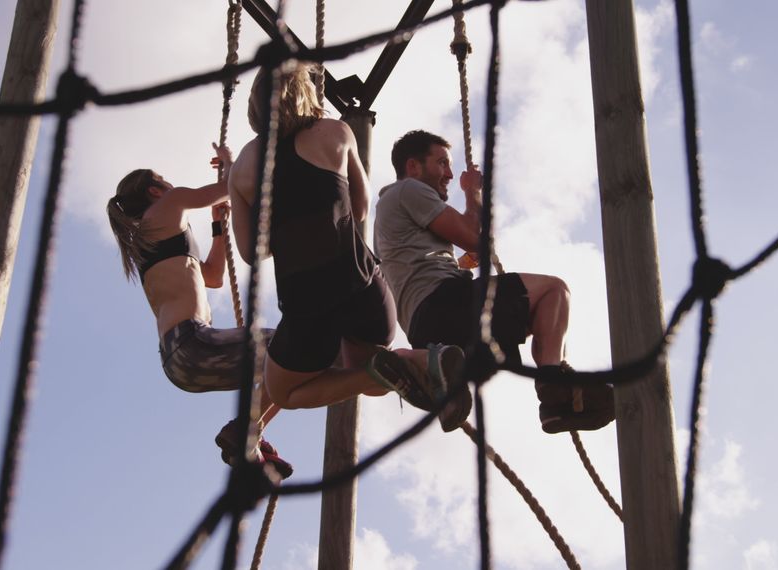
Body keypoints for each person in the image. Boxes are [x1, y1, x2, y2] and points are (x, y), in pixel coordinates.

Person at [227, 64, 467, 423]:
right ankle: (424, 364)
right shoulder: (336, 132)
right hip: (362, 287)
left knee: (285, 392)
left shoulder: (244, 166)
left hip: (308, 304)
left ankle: (412, 364)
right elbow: (360, 206)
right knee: (372, 373)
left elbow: (251, 252)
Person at [373, 130, 615, 433]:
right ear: (413, 166)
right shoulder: (408, 189)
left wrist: (460, 263)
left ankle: (555, 401)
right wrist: (472, 192)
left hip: (429, 330)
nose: (449, 173)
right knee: (553, 291)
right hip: (445, 304)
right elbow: (477, 238)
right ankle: (554, 387)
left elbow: (412, 267)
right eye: (442, 163)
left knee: (538, 317)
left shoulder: (386, 214)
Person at [107, 151, 293, 479]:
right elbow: (234, 185)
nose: (168, 181)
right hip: (193, 342)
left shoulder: (155, 239)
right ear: (154, 190)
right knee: (296, 344)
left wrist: (219, 227)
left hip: (180, 363)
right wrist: (230, 164)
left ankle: (251, 434)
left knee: (292, 365)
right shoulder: (168, 204)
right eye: (162, 178)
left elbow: (213, 276)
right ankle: (246, 431)